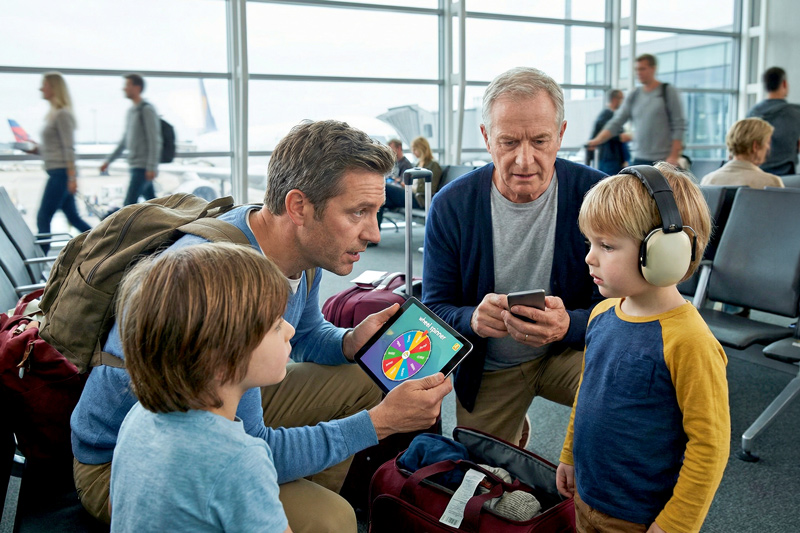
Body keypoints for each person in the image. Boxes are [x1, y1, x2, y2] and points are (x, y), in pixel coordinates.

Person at [71, 119, 453, 532]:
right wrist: (381, 423)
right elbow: (251, 443)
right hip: (124, 464)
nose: (374, 233)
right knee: (331, 519)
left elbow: (304, 335)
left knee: (363, 371)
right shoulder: (221, 277)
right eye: (357, 212)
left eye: (375, 212)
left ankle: (286, 492)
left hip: (201, 413)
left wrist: (348, 342)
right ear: (299, 207)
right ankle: (282, 502)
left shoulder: (299, 252)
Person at [422, 67, 605, 447]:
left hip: (569, 352)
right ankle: (510, 425)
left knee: (630, 396)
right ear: (487, 138)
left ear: (561, 135)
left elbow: (625, 309)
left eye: (540, 141)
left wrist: (566, 326)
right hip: (492, 366)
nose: (524, 161)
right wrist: (470, 317)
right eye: (508, 143)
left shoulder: (597, 194)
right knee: (476, 476)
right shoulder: (452, 205)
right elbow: (435, 307)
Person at [557, 163, 730, 533]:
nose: (589, 257)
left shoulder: (690, 342)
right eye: (590, 242)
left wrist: (675, 523)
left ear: (665, 251)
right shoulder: (602, 314)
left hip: (640, 519)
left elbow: (709, 446)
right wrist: (570, 455)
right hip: (586, 498)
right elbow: (587, 393)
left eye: (606, 246)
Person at [110, 243, 294, 532]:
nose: (290, 330)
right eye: (276, 325)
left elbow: (119, 510)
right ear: (219, 360)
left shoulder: (138, 416)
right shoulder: (240, 459)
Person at [24, 72, 91, 253]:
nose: (41, 88)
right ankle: (102, 246)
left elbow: (68, 148)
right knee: (73, 217)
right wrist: (36, 149)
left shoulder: (62, 115)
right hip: (57, 172)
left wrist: (71, 177)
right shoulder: (53, 115)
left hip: (61, 174)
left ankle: (37, 265)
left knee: (43, 218)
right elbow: (55, 148)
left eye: (44, 84)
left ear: (54, 88)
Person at [588, 54, 686, 166]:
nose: (638, 72)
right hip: (639, 158)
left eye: (642, 69)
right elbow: (616, 121)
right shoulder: (634, 95)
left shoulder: (667, 91)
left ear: (653, 69)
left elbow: (679, 125)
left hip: (664, 159)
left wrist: (673, 156)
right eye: (636, 69)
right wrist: (597, 140)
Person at [100, 73, 161, 206]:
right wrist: (109, 161)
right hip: (135, 166)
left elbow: (154, 140)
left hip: (143, 168)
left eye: (127, 85)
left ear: (137, 87)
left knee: (128, 205)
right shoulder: (131, 112)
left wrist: (151, 167)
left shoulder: (146, 110)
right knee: (154, 203)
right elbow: (124, 141)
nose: (124, 88)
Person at [701, 118, 784, 188]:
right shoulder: (771, 183)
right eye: (768, 142)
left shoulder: (708, 180)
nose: (768, 147)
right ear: (755, 146)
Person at [746, 66, 800, 175]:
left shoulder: (752, 113)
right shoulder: (795, 112)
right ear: (784, 83)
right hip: (786, 178)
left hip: (755, 175)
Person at [585, 89, 631, 175]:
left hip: (614, 159)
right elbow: (604, 134)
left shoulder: (613, 115)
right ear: (614, 99)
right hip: (609, 159)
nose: (623, 102)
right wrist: (620, 137)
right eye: (621, 99)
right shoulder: (606, 115)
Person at [376, 139, 416, 234]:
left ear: (399, 148)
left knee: (384, 189)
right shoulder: (394, 164)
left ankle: (375, 233)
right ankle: (374, 232)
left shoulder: (406, 164)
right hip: (395, 195)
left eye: (391, 149)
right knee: (379, 200)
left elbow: (405, 184)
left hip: (406, 194)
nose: (389, 152)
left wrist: (395, 181)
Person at [410, 136, 443, 207]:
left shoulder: (433, 165)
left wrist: (410, 187)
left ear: (421, 149)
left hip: (419, 198)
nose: (413, 152)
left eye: (415, 149)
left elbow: (431, 189)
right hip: (411, 194)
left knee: (387, 190)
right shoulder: (418, 164)